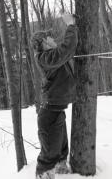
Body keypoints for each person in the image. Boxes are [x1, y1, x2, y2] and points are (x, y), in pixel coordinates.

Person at [31, 14, 78, 179]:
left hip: (56, 111)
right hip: (49, 114)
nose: (54, 39)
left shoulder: (51, 58)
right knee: (49, 155)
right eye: (50, 38)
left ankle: (61, 168)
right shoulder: (45, 58)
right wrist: (71, 25)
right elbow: (66, 50)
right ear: (44, 43)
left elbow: (66, 53)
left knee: (60, 150)